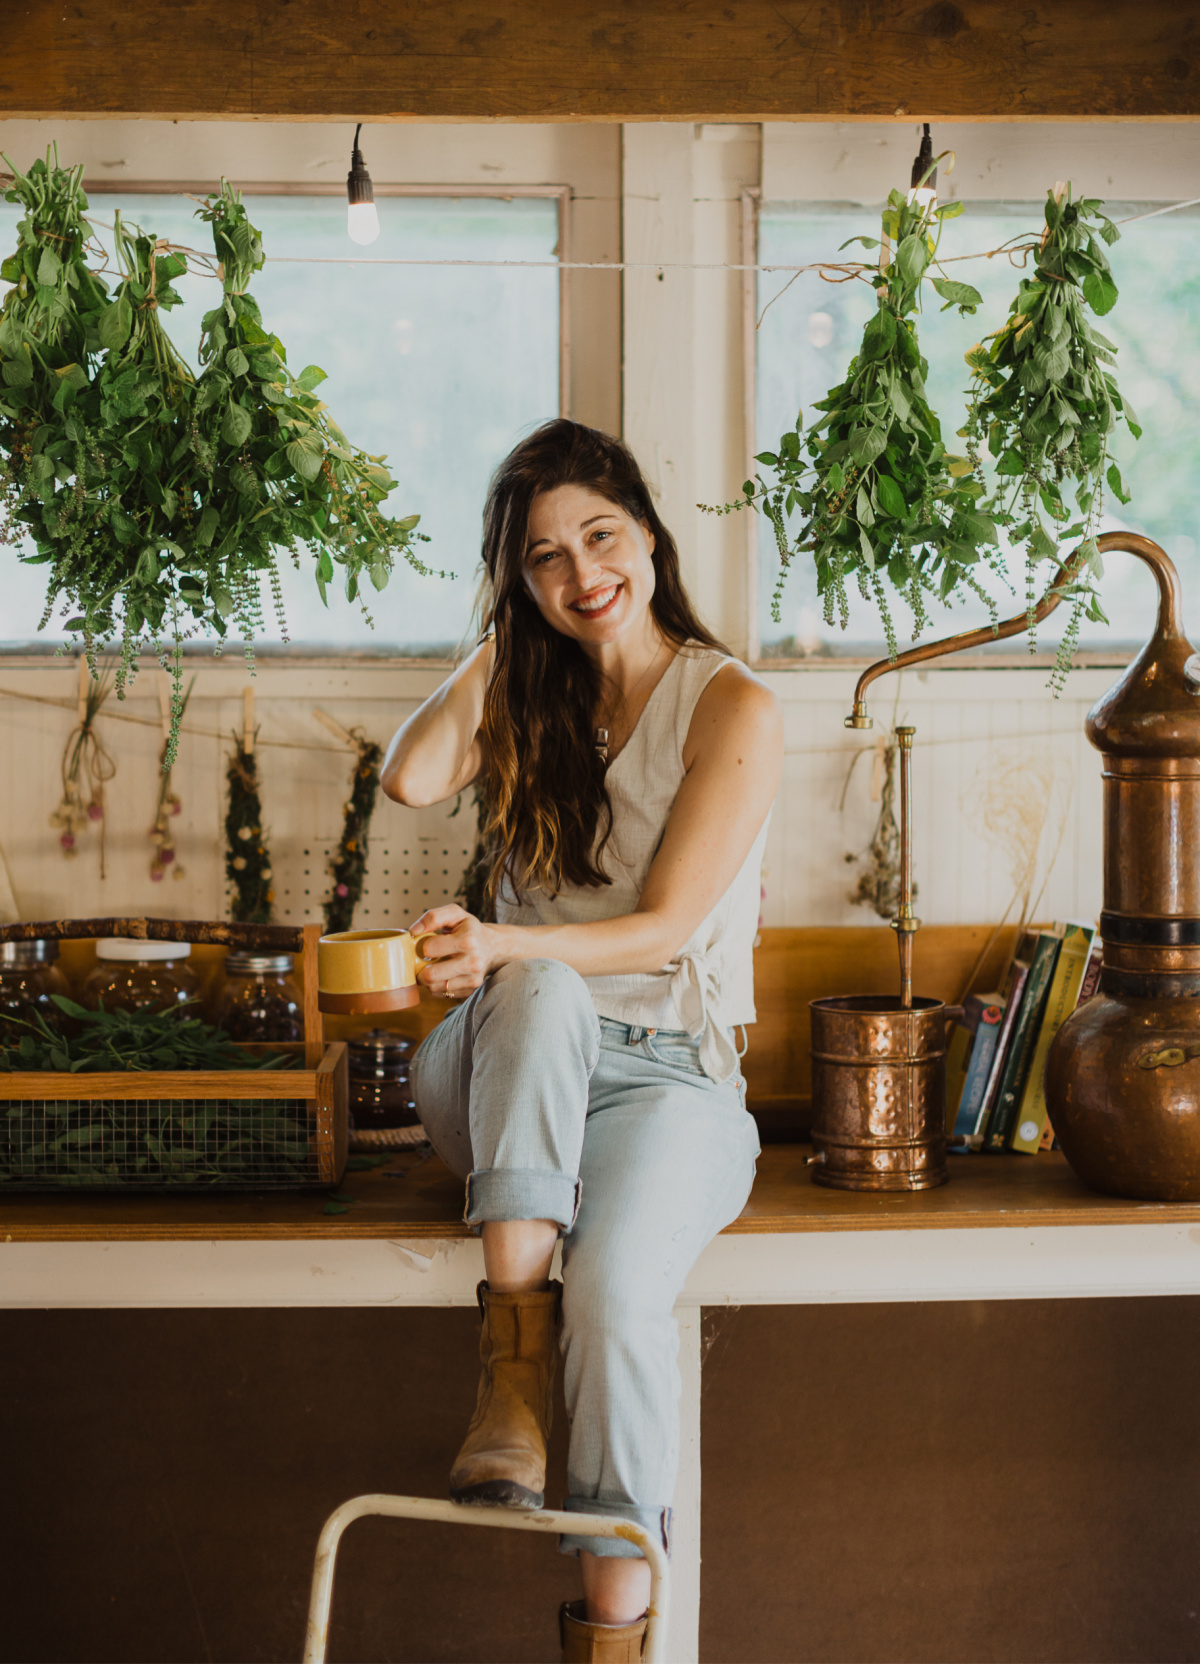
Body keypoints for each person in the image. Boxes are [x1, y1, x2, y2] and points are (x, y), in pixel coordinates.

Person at [381, 418, 782, 1663]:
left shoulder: (736, 706)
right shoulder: (526, 678)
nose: (580, 572)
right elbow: (410, 777)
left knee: (613, 1299)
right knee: (542, 993)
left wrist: (506, 945)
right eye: (543, 557)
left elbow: (668, 926)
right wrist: (510, 643)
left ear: (649, 533)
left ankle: (611, 1642)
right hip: (509, 1071)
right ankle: (509, 1378)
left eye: (599, 536)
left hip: (669, 1082)